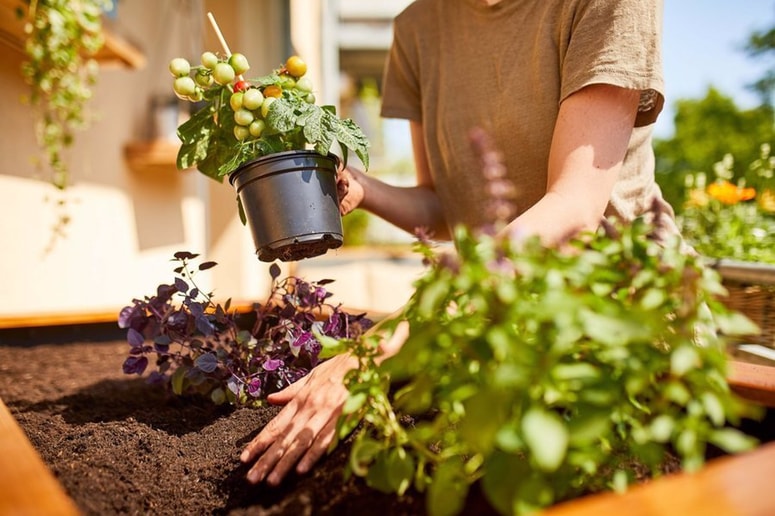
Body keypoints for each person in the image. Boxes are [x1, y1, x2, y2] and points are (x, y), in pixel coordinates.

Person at [240, 0, 676, 486]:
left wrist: (381, 347)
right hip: (496, 317)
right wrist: (362, 189)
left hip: (618, 320)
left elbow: (574, 208)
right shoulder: (418, 26)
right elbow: (444, 208)